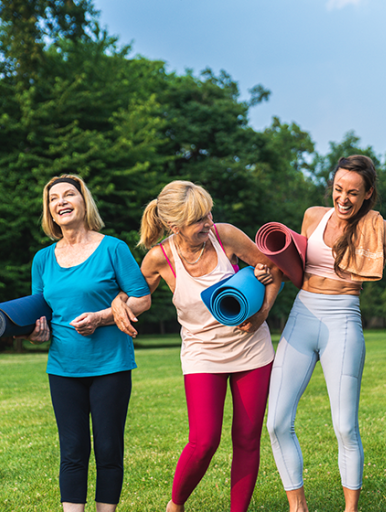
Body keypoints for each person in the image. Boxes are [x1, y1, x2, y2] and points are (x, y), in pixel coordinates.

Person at [111, 180, 282, 512]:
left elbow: (273, 268)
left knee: (247, 439)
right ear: (174, 226)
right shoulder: (159, 258)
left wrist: (262, 312)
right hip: (201, 355)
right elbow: (136, 295)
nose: (208, 223)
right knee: (204, 441)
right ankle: (175, 506)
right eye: (198, 220)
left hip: (251, 350)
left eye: (208, 214)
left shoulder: (226, 235)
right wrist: (118, 302)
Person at [264, 155, 386, 512]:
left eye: (353, 192)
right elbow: (290, 265)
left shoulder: (380, 228)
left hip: (343, 320)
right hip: (302, 315)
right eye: (338, 189)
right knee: (276, 423)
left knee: (345, 427)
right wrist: (268, 270)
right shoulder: (312, 217)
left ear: (368, 194)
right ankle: (298, 507)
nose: (343, 199)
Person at [21, 174, 151, 512]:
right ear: (49, 211)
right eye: (53, 199)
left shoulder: (113, 248)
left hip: (110, 365)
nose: (61, 202)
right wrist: (35, 333)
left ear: (84, 201)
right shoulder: (42, 259)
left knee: (108, 448)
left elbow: (142, 298)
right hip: (63, 367)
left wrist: (102, 317)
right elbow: (40, 310)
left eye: (69, 195)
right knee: (72, 450)